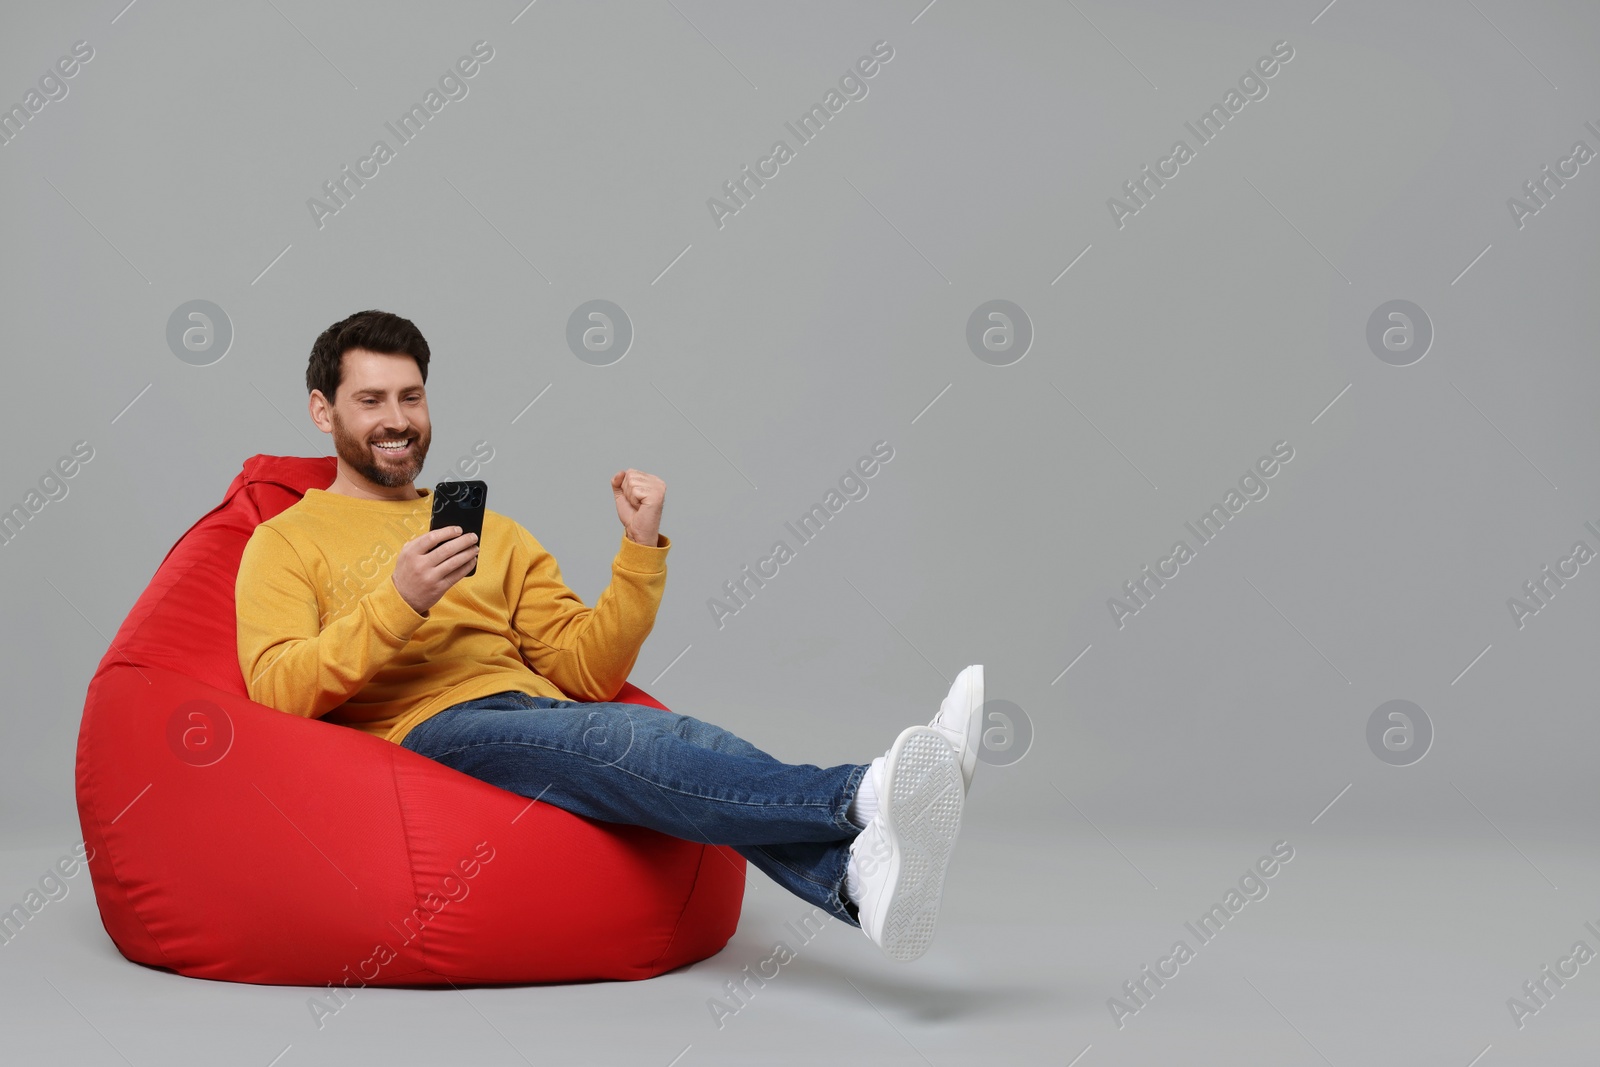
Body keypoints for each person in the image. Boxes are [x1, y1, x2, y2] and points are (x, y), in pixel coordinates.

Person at [235, 309, 983, 962]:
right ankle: (866, 791)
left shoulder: (493, 533)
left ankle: (853, 883)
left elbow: (585, 671)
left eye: (411, 396)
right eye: (370, 400)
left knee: (686, 736)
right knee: (623, 742)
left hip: (533, 712)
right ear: (323, 412)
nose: (397, 419)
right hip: (427, 733)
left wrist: (638, 551)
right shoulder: (285, 541)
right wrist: (400, 600)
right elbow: (277, 689)